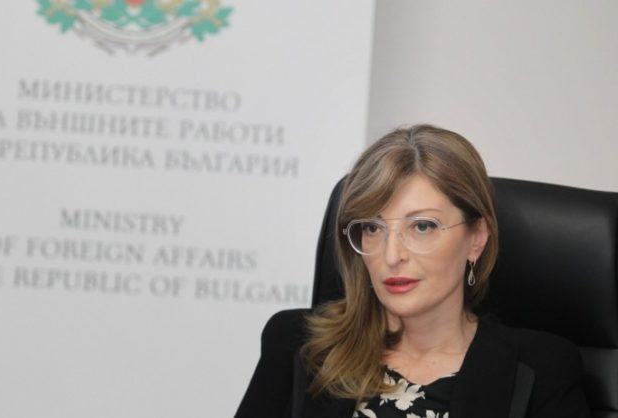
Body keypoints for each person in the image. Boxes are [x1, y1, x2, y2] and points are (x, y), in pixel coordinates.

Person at [235, 124, 590, 418]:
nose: (392, 255)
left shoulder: (539, 369)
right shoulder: (297, 344)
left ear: (476, 238)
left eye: (422, 226)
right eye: (373, 228)